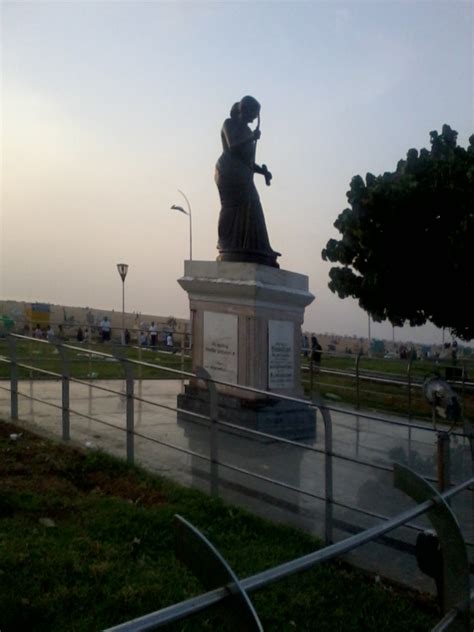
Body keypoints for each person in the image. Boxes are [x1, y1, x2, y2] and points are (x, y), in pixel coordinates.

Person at [215, 96, 280, 268]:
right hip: (228, 172)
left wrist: (263, 172)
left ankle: (255, 248)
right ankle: (226, 244)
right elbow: (233, 146)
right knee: (232, 207)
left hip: (244, 174)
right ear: (244, 111)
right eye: (253, 114)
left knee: (253, 206)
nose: (253, 119)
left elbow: (248, 162)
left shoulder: (246, 130)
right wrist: (252, 137)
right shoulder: (229, 124)